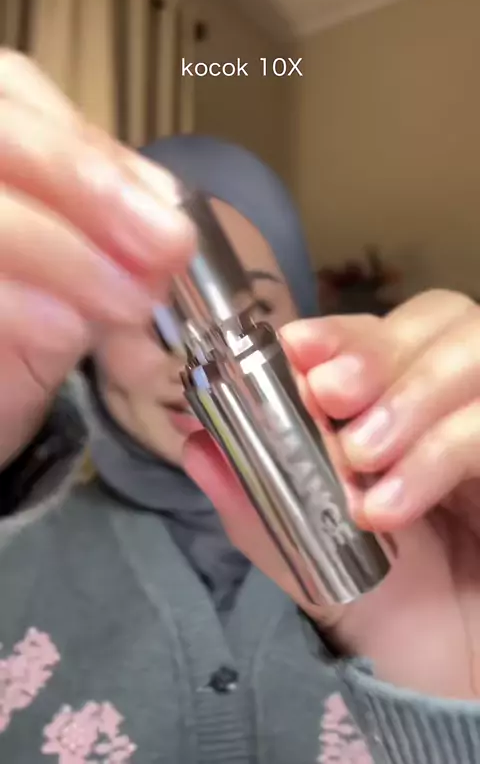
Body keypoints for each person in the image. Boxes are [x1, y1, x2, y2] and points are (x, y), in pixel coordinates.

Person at [1, 50, 480, 764]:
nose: (190, 352)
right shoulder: (14, 556)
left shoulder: (425, 544)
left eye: (251, 309)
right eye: (149, 312)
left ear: (306, 318)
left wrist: (448, 677)